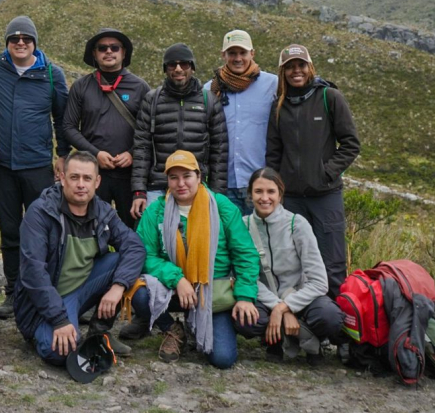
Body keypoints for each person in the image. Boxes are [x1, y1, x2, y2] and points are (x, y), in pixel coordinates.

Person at [127, 151, 259, 368]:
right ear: (167, 180)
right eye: (173, 177)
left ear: (199, 177)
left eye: (186, 176)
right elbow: (145, 255)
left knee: (223, 359)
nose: (180, 183)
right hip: (174, 289)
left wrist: (245, 295)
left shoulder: (221, 206)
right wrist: (177, 279)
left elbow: (245, 254)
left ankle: (199, 324)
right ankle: (172, 329)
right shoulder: (156, 211)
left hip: (211, 292)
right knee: (140, 294)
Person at [13, 151, 146, 366]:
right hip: (45, 301)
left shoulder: (102, 211)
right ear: (62, 178)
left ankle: (98, 333)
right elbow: (33, 273)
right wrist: (59, 319)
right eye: (74, 177)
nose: (81, 184)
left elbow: (134, 246)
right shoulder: (40, 212)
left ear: (97, 182)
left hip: (81, 289)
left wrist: (118, 286)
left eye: (87, 178)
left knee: (119, 259)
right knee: (59, 352)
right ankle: (46, 331)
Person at [0, 16, 70, 320]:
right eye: (14, 38)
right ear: (6, 43)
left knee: (42, 232)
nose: (20, 42)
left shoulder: (51, 74)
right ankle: (12, 293)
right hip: (3, 168)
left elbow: (62, 118)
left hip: (37, 167)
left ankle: (43, 291)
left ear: (35, 42)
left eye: (26, 38)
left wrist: (63, 155)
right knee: (10, 231)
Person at [265, 44, 360, 298]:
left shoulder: (330, 97)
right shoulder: (278, 106)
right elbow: (273, 154)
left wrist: (327, 172)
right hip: (292, 199)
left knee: (333, 264)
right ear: (283, 72)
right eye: (290, 67)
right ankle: (302, 324)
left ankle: (337, 326)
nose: (296, 71)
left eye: (301, 65)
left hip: (325, 196)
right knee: (294, 263)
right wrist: (276, 190)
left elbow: (351, 144)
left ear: (310, 67)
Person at [235, 168, 346, 364]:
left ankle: (297, 335)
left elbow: (320, 283)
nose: (264, 198)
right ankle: (282, 338)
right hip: (266, 298)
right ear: (250, 195)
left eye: (271, 192)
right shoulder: (243, 227)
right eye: (258, 191)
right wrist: (277, 306)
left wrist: (285, 308)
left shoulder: (297, 224)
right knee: (244, 319)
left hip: (300, 296)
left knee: (330, 316)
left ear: (280, 194)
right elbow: (246, 277)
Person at [63, 28, 150, 229]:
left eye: (114, 47)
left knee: (133, 231)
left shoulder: (140, 87)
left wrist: (132, 154)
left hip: (129, 176)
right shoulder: (81, 86)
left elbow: (149, 131)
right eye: (102, 48)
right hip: (92, 174)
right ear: (94, 53)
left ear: (124, 53)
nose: (108, 51)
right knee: (88, 229)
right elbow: (68, 127)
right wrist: (95, 154)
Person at [130, 43, 228, 219]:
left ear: (192, 67)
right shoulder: (152, 100)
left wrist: (217, 194)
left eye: (184, 64)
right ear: (165, 69)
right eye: (171, 64)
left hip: (197, 186)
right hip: (158, 185)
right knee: (152, 241)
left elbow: (219, 151)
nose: (178, 69)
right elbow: (141, 148)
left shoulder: (209, 101)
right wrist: (139, 191)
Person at [203, 30, 278, 215]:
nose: (238, 58)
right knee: (228, 241)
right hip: (223, 185)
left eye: (242, 53)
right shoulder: (209, 90)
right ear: (223, 55)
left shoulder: (273, 85)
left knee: (261, 241)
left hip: (261, 185)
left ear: (252, 53)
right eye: (232, 53)